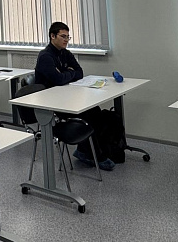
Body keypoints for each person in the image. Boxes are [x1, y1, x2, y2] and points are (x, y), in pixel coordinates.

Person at [34, 21, 120, 171]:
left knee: (95, 111)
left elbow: (80, 72)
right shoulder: (46, 56)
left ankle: (84, 151)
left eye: (68, 37)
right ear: (52, 36)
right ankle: (93, 155)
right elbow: (58, 80)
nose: (66, 40)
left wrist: (66, 73)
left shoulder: (65, 53)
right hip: (52, 102)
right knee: (87, 115)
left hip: (67, 97)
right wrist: (69, 73)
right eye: (63, 36)